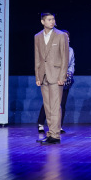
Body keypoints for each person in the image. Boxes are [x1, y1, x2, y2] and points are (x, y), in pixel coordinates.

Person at [35, 12, 70, 145]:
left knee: (55, 106)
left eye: (53, 19)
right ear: (42, 22)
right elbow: (38, 58)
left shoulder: (61, 35)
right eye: (49, 19)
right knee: (48, 107)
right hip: (43, 75)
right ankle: (50, 134)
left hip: (56, 75)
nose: (52, 21)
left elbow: (65, 57)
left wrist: (62, 76)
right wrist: (38, 76)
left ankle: (55, 135)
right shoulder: (38, 36)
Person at [38, 31, 74, 134]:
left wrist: (69, 73)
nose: (66, 39)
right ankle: (41, 123)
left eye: (67, 37)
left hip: (65, 79)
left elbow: (72, 64)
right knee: (49, 102)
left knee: (62, 103)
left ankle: (59, 126)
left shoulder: (70, 50)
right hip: (53, 78)